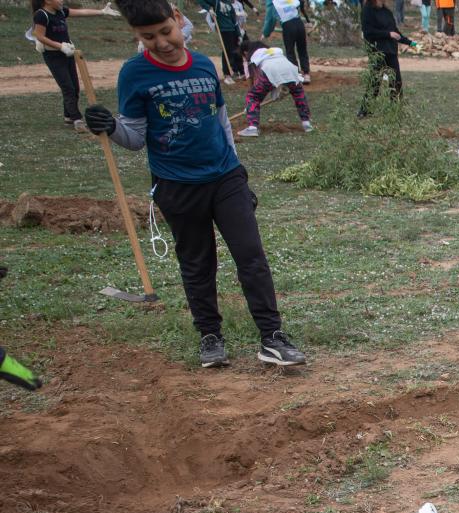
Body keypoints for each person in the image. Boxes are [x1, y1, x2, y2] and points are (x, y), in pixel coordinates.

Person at [86, 0, 308, 370]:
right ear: (136, 36)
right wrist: (108, 127)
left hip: (225, 177)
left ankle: (272, 337)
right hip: (177, 185)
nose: (161, 42)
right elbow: (134, 137)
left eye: (165, 31)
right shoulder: (134, 74)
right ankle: (210, 337)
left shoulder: (205, 65)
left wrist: (238, 171)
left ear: (178, 20)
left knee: (251, 255)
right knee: (197, 262)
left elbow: (221, 123)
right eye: (148, 37)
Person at [29, 0, 119, 132]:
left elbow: (82, 12)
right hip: (53, 56)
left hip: (68, 53)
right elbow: (39, 36)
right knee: (68, 88)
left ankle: (68, 116)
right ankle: (77, 119)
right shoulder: (41, 15)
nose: (61, 0)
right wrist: (60, 46)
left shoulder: (60, 11)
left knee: (74, 87)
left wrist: (102, 12)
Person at [238, 37, 312, 134]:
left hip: (270, 70)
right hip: (290, 68)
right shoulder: (273, 51)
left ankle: (252, 128)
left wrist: (250, 105)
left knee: (253, 96)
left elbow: (256, 81)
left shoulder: (253, 57)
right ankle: (306, 123)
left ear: (246, 52)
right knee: (298, 93)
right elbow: (280, 71)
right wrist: (279, 88)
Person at [359, 0, 412, 109]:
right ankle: (365, 110)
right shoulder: (367, 10)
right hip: (377, 52)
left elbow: (395, 32)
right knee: (375, 81)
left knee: (396, 80)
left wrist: (410, 42)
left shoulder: (386, 11)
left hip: (391, 51)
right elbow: (368, 32)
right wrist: (387, 34)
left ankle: (395, 108)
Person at [198, 0, 249, 83]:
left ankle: (240, 71)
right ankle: (227, 74)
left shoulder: (229, 4)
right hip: (223, 30)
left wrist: (239, 34)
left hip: (233, 29)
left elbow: (235, 21)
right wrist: (209, 10)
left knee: (236, 50)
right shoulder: (216, 2)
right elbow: (201, 1)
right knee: (228, 50)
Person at [260, 0, 309, 79]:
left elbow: (270, 19)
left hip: (288, 25)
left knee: (290, 51)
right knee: (302, 49)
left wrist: (265, 33)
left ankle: (296, 75)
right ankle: (306, 74)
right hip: (299, 23)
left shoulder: (272, 2)